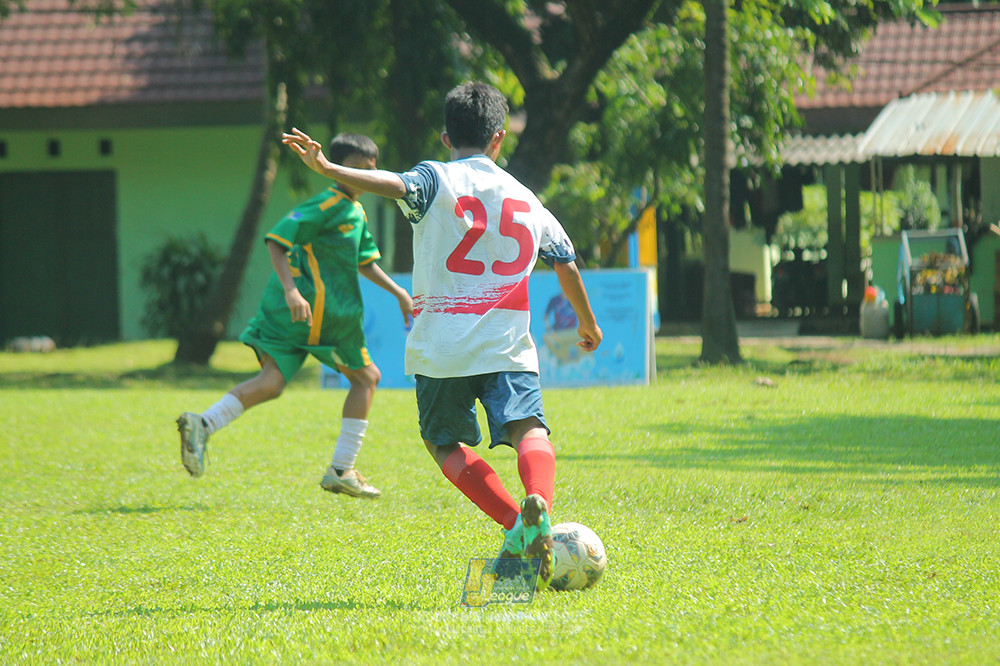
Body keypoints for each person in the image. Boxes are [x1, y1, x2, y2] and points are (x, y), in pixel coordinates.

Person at [282, 82, 602, 588]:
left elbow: (391, 184)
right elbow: (566, 264)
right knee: (530, 429)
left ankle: (517, 525)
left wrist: (328, 169)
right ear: (499, 138)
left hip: (441, 349)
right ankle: (539, 499)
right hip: (508, 345)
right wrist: (587, 322)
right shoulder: (526, 196)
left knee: (441, 441)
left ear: (445, 135)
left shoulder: (434, 178)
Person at [176, 132, 413, 500]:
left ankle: (203, 423)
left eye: (371, 168)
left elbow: (364, 261)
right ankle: (341, 469)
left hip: (298, 314)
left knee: (271, 383)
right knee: (367, 378)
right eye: (358, 168)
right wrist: (291, 289)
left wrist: (398, 291)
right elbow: (277, 239)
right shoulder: (327, 204)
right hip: (318, 315)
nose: (366, 174)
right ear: (336, 170)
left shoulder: (355, 211)